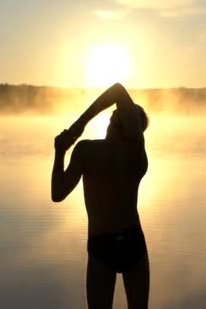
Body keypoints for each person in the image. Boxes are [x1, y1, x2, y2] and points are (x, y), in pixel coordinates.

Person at [51, 82, 150, 309]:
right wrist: (60, 151)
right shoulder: (136, 154)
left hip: (101, 243)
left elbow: (57, 193)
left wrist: (68, 140)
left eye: (116, 112)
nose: (113, 112)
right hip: (133, 240)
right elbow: (57, 195)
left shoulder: (87, 151)